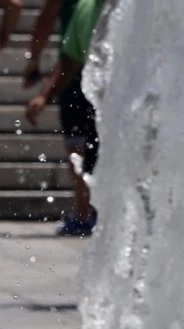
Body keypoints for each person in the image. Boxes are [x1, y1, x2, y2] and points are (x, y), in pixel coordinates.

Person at [23, 0, 101, 236]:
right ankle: (87, 213)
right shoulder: (88, 9)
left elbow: (46, 21)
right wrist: (44, 94)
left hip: (87, 81)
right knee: (83, 149)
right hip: (88, 80)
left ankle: (86, 214)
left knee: (83, 150)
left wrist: (35, 64)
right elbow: (69, 57)